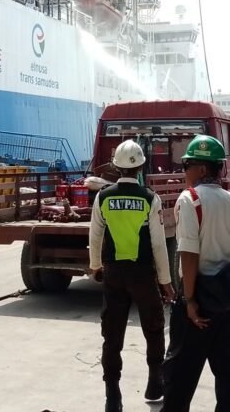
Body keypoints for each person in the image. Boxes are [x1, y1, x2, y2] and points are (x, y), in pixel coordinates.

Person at [162, 135, 230, 412]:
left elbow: (188, 254)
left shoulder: (190, 200)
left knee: (180, 377)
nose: (184, 171)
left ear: (201, 169)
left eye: (187, 165)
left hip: (198, 302)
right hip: (229, 301)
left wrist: (190, 301)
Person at [89, 140, 175, 411]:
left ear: (115, 167)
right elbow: (159, 243)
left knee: (112, 335)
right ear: (140, 165)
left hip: (114, 273)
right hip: (142, 274)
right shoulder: (150, 198)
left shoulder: (103, 196)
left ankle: (112, 396)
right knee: (153, 327)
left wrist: (95, 266)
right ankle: (154, 383)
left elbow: (95, 234)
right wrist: (166, 281)